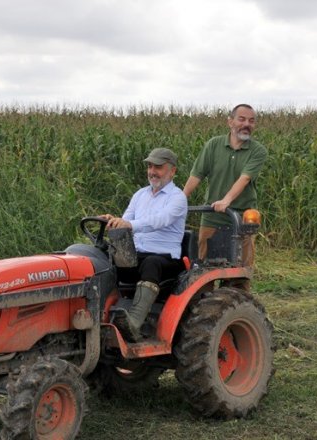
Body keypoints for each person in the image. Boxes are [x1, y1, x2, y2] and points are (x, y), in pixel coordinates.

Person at [101, 147, 187, 341]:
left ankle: (134, 322)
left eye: (158, 167)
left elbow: (160, 220)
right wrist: (112, 221)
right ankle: (99, 316)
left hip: (166, 259)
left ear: (172, 171)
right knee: (102, 259)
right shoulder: (140, 194)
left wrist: (129, 224)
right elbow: (126, 220)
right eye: (150, 166)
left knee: (151, 263)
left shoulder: (177, 198)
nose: (152, 171)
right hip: (137, 254)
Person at [183, 103, 267, 269]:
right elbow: (197, 174)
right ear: (230, 122)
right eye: (241, 119)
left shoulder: (258, 151)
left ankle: (238, 296)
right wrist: (180, 198)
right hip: (212, 216)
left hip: (241, 219)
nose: (246, 125)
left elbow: (244, 179)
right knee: (204, 270)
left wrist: (226, 200)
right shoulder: (214, 145)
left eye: (251, 121)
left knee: (240, 271)